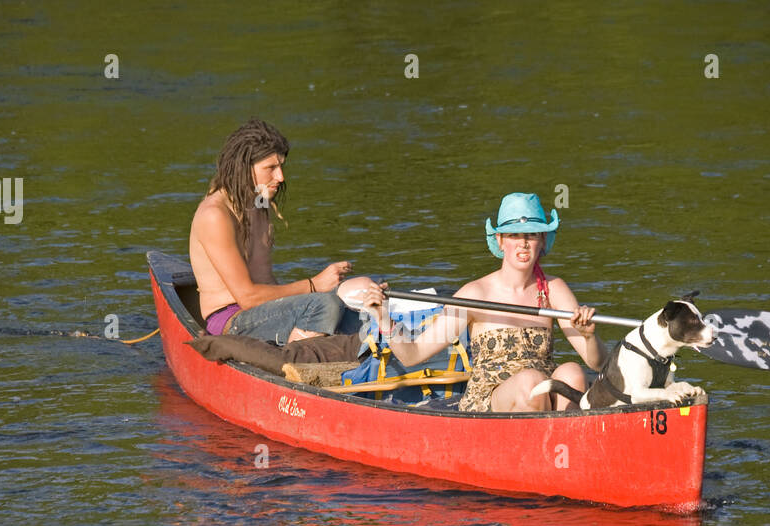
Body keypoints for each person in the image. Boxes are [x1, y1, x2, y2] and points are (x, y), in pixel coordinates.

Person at [362, 193, 607, 412]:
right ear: (500, 241)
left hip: (541, 392)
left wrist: (588, 336)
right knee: (530, 380)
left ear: (542, 240)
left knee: (573, 372)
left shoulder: (554, 289)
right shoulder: (475, 293)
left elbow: (597, 363)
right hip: (490, 400)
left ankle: (564, 449)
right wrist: (383, 317)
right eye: (514, 235)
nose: (523, 243)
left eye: (531, 235)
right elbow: (412, 355)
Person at [189, 119, 372, 345]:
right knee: (325, 305)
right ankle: (292, 359)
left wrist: (347, 293)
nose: (281, 177)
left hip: (263, 312)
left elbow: (266, 282)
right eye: (271, 168)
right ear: (244, 167)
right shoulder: (214, 215)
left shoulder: (257, 205)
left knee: (364, 290)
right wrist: (314, 286)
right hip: (231, 321)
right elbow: (247, 297)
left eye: (281, 166)